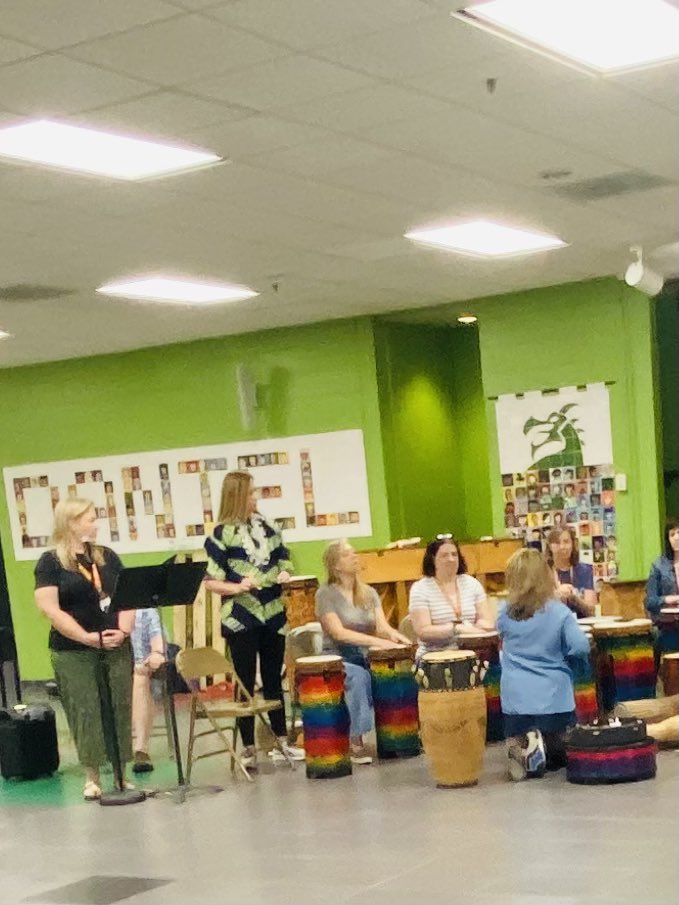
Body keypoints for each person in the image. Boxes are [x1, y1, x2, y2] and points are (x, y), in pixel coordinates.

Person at [34, 498, 134, 801]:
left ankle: (121, 772)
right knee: (85, 708)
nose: (95, 523)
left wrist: (124, 630)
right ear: (72, 522)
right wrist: (85, 637)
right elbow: (50, 609)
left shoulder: (107, 558)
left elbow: (128, 597)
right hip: (73, 650)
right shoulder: (51, 562)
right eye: (90, 518)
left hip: (114, 644)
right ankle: (92, 776)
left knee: (118, 705)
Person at [204, 471, 304, 769]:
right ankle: (247, 746)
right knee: (245, 681)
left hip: (272, 611)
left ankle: (281, 740)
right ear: (236, 496)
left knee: (274, 677)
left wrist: (285, 572)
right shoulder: (220, 535)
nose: (255, 498)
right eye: (250, 494)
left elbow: (284, 559)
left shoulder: (270, 528)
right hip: (240, 616)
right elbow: (211, 581)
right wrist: (237, 587)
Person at [498, 549, 590, 781]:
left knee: (516, 734)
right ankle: (545, 748)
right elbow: (580, 646)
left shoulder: (504, 613)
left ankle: (522, 746)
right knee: (560, 756)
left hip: (516, 701)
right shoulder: (560, 613)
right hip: (554, 701)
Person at [316, 540, 411, 765]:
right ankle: (355, 741)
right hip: (336, 657)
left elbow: (382, 627)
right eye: (348, 555)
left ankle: (399, 735)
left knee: (396, 674)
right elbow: (338, 634)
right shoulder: (325, 595)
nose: (355, 557)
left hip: (365, 655)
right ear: (336, 565)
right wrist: (377, 641)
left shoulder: (368, 593)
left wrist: (397, 639)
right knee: (358, 677)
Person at [409, 537, 495, 660]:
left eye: (454, 555)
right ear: (433, 559)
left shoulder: (472, 583)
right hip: (435, 657)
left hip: (473, 653)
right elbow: (423, 631)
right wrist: (456, 629)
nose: (451, 559)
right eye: (444, 555)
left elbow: (487, 621)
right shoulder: (420, 589)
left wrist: (477, 628)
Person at [130, 608, 165, 774]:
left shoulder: (146, 610)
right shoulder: (101, 607)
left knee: (140, 677)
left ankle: (141, 749)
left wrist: (156, 653)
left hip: (140, 664)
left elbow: (157, 641)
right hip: (112, 665)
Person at [644, 518, 679, 664]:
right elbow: (650, 601)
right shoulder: (658, 565)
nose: (677, 538)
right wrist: (667, 599)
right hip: (668, 626)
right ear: (668, 539)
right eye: (672, 534)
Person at [546, 527, 597, 617]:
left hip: (580, 625)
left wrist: (573, 597)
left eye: (566, 542)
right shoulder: (542, 571)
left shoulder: (584, 570)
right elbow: (535, 609)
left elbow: (591, 610)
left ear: (573, 544)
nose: (562, 547)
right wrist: (556, 596)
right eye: (557, 543)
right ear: (549, 546)